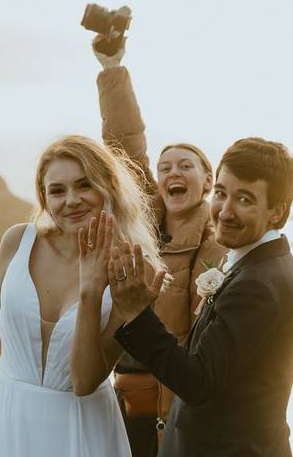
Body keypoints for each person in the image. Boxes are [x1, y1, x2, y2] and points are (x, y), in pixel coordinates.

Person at [0, 135, 164, 457]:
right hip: (2, 418)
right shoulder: (17, 242)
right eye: (57, 190)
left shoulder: (138, 272)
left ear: (108, 186)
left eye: (84, 185)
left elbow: (85, 381)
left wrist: (91, 289)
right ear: (44, 197)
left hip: (80, 428)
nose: (71, 200)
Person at [109, 137, 293, 457]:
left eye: (245, 199)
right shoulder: (258, 264)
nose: (225, 211)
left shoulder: (258, 284)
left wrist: (137, 313)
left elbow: (197, 381)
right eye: (222, 194)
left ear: (276, 210)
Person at [93, 38, 226, 456]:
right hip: (121, 392)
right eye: (165, 166)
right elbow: (123, 145)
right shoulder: (141, 224)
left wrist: (175, 416)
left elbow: (201, 348)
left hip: (174, 399)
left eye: (186, 165)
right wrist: (112, 67)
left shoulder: (216, 244)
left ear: (208, 181)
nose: (173, 171)